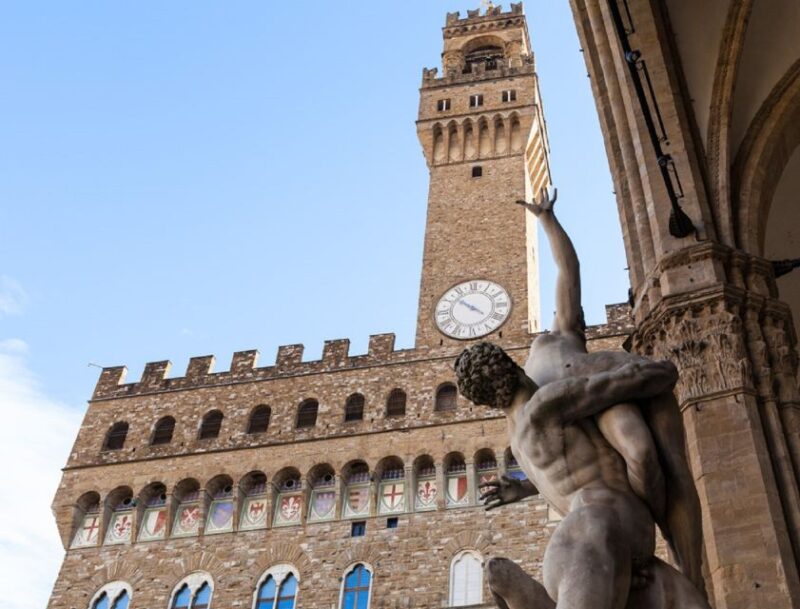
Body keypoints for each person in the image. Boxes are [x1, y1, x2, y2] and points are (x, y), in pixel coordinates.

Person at [487, 188, 703, 590]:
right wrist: (525, 488)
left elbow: (568, 269)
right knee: (640, 455)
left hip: (611, 396)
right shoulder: (534, 377)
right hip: (590, 413)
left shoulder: (562, 336)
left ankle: (687, 566)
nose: (577, 313)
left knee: (644, 453)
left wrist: (548, 221)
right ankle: (648, 547)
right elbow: (568, 460)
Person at [454, 342, 708, 609]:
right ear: (514, 367)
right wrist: (666, 368)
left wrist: (525, 488)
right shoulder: (544, 404)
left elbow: (568, 472)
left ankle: (512, 585)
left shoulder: (517, 441)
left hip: (607, 550)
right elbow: (634, 380)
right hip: (594, 535)